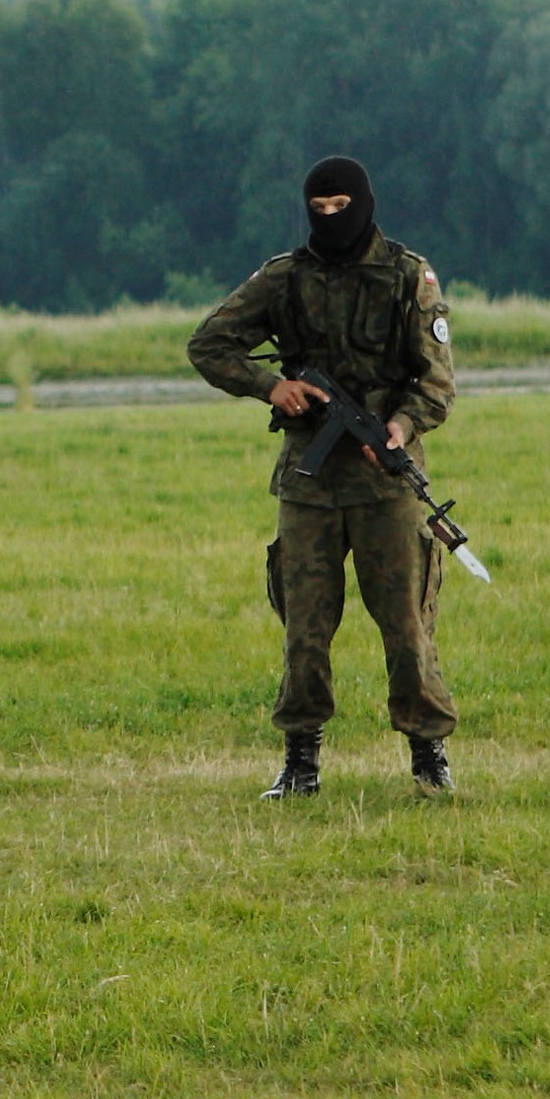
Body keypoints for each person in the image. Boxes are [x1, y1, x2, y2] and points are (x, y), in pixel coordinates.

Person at [185, 155, 462, 800]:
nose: (331, 219)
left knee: (407, 623)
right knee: (304, 626)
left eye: (343, 206)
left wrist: (400, 427)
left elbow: (438, 383)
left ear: (364, 202)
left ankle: (429, 755)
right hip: (309, 484)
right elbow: (209, 345)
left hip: (387, 484)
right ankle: (300, 761)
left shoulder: (405, 275)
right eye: (320, 209)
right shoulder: (285, 279)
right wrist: (271, 386)